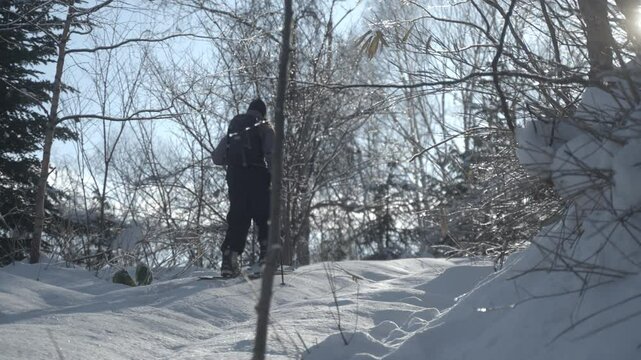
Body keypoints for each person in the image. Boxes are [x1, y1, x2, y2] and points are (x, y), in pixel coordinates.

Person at [212, 99, 273, 277]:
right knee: (264, 215)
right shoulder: (264, 127)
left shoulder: (235, 128)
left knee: (238, 216)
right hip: (257, 175)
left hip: (235, 178)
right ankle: (266, 258)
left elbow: (216, 157)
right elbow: (272, 153)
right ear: (263, 112)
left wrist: (232, 162)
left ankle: (229, 260)